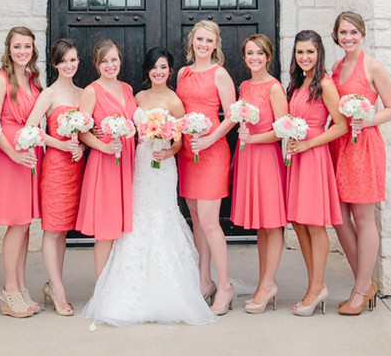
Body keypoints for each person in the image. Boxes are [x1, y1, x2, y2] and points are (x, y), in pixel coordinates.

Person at [82, 47, 216, 326]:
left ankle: (174, 286)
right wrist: (98, 130)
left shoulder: (175, 101)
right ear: (148, 70)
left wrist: (169, 150)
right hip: (139, 164)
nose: (159, 72)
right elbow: (120, 121)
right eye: (154, 67)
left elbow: (179, 140)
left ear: (170, 70)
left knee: (162, 215)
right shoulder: (137, 96)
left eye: (164, 67)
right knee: (137, 215)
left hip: (163, 166)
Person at [330, 11, 391, 316]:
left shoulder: (372, 66)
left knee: (363, 215)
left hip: (365, 145)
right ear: (337, 35)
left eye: (353, 33)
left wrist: (367, 119)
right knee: (339, 217)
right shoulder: (335, 67)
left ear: (362, 34)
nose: (348, 38)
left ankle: (360, 289)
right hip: (339, 145)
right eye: (343, 33)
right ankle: (365, 282)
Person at [176, 20, 236, 315]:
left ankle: (225, 286)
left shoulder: (220, 74)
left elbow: (232, 115)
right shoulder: (183, 73)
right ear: (192, 41)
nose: (203, 44)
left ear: (215, 44)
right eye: (199, 39)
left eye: (209, 41)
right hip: (188, 153)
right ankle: (204, 281)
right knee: (197, 220)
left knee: (211, 223)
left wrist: (210, 138)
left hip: (212, 152)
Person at [285, 29, 347, 316]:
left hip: (313, 155)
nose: (304, 57)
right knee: (298, 222)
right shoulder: (298, 83)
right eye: (300, 52)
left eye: (309, 52)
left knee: (313, 223)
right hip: (296, 156)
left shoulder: (324, 84)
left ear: (319, 53)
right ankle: (315, 284)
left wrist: (309, 142)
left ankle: (316, 288)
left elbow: (340, 125)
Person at [0, 26, 42, 318]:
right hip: (11, 157)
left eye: (27, 47)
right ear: (9, 49)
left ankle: (20, 288)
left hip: (29, 156)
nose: (22, 52)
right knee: (16, 223)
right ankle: (8, 291)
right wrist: (15, 154)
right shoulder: (0, 80)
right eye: (17, 46)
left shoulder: (32, 79)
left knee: (25, 224)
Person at [24, 38, 85, 316]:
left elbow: (87, 132)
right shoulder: (48, 94)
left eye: (73, 60)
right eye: (63, 60)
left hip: (78, 167)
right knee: (52, 229)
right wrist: (59, 144)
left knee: (64, 231)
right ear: (55, 63)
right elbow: (30, 130)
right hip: (57, 167)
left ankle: (53, 283)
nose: (69, 65)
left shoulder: (84, 94)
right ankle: (58, 290)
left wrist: (81, 146)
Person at [231, 34, 288, 313]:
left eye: (259, 53)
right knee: (260, 226)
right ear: (244, 57)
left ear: (268, 57)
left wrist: (253, 140)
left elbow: (282, 129)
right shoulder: (244, 85)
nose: (255, 58)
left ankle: (268, 285)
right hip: (246, 157)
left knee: (272, 222)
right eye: (250, 53)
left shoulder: (274, 87)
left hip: (265, 157)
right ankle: (263, 283)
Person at [75, 40, 136, 278]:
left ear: (120, 60)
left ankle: (121, 281)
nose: (110, 65)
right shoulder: (92, 91)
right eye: (104, 61)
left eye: (114, 59)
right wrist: (103, 146)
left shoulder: (128, 89)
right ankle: (102, 287)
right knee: (106, 228)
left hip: (128, 159)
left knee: (123, 227)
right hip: (105, 162)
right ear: (97, 65)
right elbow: (82, 130)